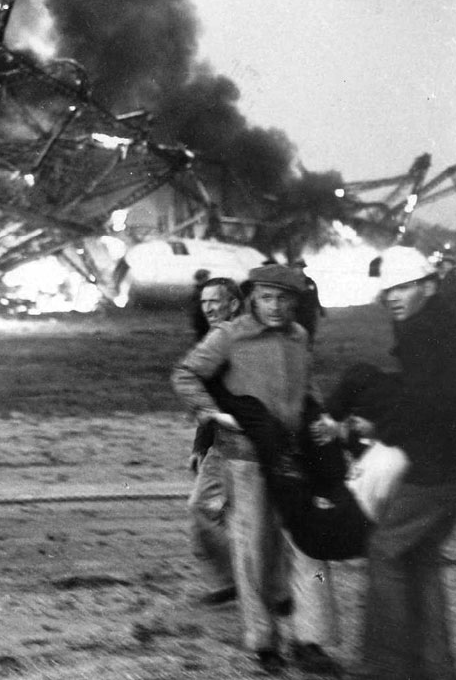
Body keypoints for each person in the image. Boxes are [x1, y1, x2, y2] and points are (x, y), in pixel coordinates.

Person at [171, 264, 340, 676]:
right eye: (267, 297)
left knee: (309, 547)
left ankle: (310, 640)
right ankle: (264, 642)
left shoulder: (298, 337)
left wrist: (317, 416)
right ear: (252, 299)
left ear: (296, 303)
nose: (277, 307)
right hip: (246, 458)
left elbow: (304, 387)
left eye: (285, 299)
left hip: (295, 455)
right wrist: (212, 414)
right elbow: (186, 374)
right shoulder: (230, 335)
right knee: (254, 551)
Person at [334, 247, 456, 680]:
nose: (393, 297)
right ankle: (435, 665)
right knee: (420, 555)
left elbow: (426, 402)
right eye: (388, 290)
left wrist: (376, 432)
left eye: (403, 287)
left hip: (437, 466)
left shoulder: (421, 331)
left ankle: (389, 664)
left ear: (428, 286)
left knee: (386, 550)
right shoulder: (447, 325)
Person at [181, 277, 242, 607]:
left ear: (233, 304)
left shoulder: (247, 340)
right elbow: (213, 402)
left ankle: (245, 580)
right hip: (224, 442)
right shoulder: (213, 342)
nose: (208, 309)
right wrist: (200, 447)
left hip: (252, 443)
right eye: (204, 304)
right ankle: (235, 579)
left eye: (214, 302)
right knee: (202, 509)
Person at [292, 259, 326, 343]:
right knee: (298, 331)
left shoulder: (310, 282)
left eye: (300, 268)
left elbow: (315, 296)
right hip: (297, 312)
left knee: (310, 331)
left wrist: (320, 309)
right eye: (296, 268)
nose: (298, 270)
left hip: (309, 312)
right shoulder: (291, 282)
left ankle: (309, 347)